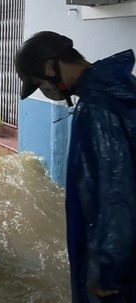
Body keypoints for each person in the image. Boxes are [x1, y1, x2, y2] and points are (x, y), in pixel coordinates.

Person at [15, 31, 136, 302]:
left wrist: (107, 265)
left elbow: (116, 191)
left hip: (121, 268)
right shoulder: (120, 85)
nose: (45, 92)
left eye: (39, 83)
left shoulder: (97, 107)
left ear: (50, 67)